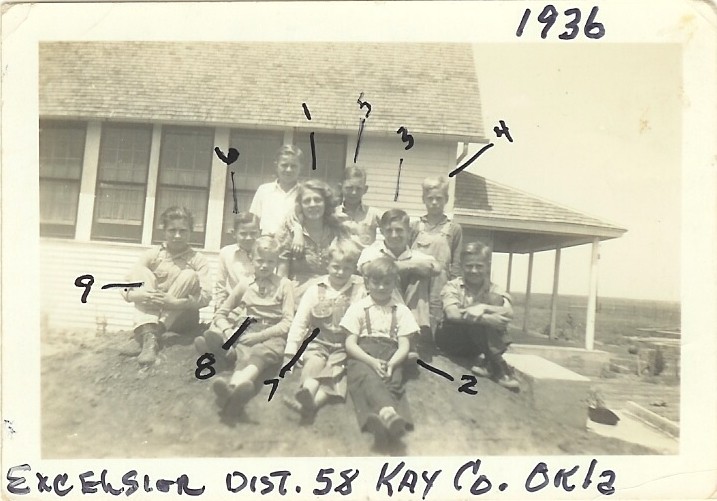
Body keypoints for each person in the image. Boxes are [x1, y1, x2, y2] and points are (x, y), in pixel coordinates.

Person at [200, 236, 295, 413]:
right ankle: (233, 389)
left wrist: (260, 336)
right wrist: (227, 330)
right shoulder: (245, 284)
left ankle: (232, 386)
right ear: (251, 259)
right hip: (247, 331)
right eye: (260, 260)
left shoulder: (284, 285)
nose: (264, 265)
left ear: (277, 262)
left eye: (270, 261)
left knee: (257, 355)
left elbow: (288, 322)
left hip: (272, 336)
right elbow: (221, 313)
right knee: (244, 357)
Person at [340, 257, 419, 446]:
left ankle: (381, 424)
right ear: (367, 283)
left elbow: (404, 346)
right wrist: (371, 361)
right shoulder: (358, 308)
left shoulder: (401, 310)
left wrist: (392, 363)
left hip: (391, 353)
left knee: (392, 380)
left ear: (394, 283)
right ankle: (389, 414)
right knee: (365, 378)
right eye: (376, 282)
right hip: (363, 353)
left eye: (387, 283)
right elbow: (350, 343)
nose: (381, 287)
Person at [282, 239, 365, 418]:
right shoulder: (315, 289)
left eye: (346, 268)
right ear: (327, 264)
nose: (340, 272)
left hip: (344, 346)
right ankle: (307, 392)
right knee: (314, 364)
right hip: (318, 342)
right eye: (336, 267)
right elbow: (300, 321)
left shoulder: (359, 290)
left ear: (354, 268)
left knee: (336, 373)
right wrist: (290, 351)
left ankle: (313, 403)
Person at [119, 207, 211, 365]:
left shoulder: (198, 259)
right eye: (172, 230)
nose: (177, 235)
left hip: (182, 319)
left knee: (189, 274)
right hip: (153, 313)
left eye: (183, 231)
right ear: (164, 231)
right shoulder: (154, 255)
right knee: (141, 270)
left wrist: (177, 302)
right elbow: (125, 285)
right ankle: (150, 336)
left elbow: (206, 297)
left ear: (191, 232)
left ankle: (148, 334)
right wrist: (137, 295)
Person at [437, 241, 519, 390]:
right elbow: (452, 314)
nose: (474, 271)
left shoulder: (495, 288)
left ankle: (490, 362)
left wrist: (483, 308)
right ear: (462, 266)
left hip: (477, 345)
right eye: (469, 266)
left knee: (495, 300)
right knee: (476, 318)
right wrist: (487, 319)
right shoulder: (453, 286)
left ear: (487, 266)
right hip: (453, 340)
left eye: (479, 266)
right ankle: (498, 365)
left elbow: (509, 313)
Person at [357, 209, 440, 334]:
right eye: (389, 230)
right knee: (385, 274)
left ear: (409, 231)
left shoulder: (416, 255)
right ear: (382, 232)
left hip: (413, 316)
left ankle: (416, 329)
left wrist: (404, 266)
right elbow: (367, 269)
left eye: (399, 230)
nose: (394, 235)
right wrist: (412, 266)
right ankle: (399, 326)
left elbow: (437, 268)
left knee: (419, 278)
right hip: (380, 314)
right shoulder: (372, 251)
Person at [276, 179, 349, 299]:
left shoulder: (337, 230)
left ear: (325, 203)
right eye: (307, 201)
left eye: (317, 200)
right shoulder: (289, 233)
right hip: (298, 296)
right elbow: (282, 275)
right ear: (300, 206)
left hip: (331, 294)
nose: (312, 204)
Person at [410, 176, 463, 334]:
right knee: (414, 315)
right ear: (423, 199)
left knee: (436, 315)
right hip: (416, 280)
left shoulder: (454, 229)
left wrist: (453, 289)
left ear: (446, 199)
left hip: (440, 282)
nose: (434, 202)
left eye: (439, 198)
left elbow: (456, 263)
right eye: (430, 198)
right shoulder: (415, 226)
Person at [249, 144, 303, 236]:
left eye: (293, 166)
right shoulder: (264, 190)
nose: (289, 170)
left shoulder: (305, 193)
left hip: (295, 242)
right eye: (284, 165)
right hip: (266, 241)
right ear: (276, 166)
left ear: (300, 167)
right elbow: (253, 221)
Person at [213, 212, 260, 311]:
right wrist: (220, 309)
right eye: (243, 234)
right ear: (234, 234)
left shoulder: (266, 253)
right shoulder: (226, 253)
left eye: (253, 233)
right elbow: (220, 285)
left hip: (258, 306)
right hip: (233, 305)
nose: (248, 238)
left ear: (259, 232)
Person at [335, 166, 382, 247]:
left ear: (365, 189)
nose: (354, 192)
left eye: (358, 188)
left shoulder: (373, 214)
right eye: (349, 188)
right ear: (340, 188)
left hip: (365, 255)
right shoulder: (332, 214)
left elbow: (398, 224)